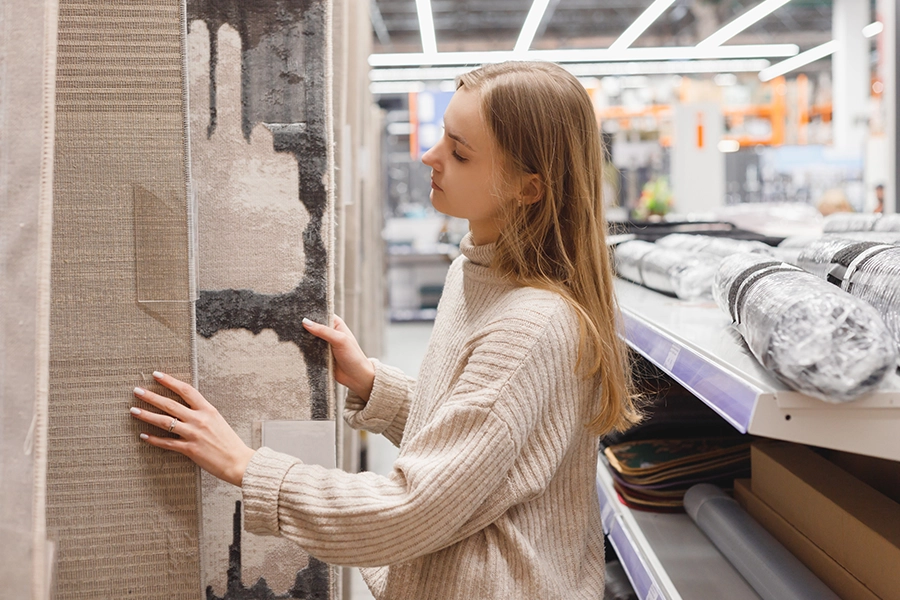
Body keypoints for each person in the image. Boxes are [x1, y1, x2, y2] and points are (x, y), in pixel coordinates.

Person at [129, 61, 641, 599]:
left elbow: (411, 510)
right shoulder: (475, 272)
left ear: (527, 188)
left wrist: (247, 466)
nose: (430, 157)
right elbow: (484, 443)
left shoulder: (531, 326)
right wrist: (374, 385)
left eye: (460, 152)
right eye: (443, 135)